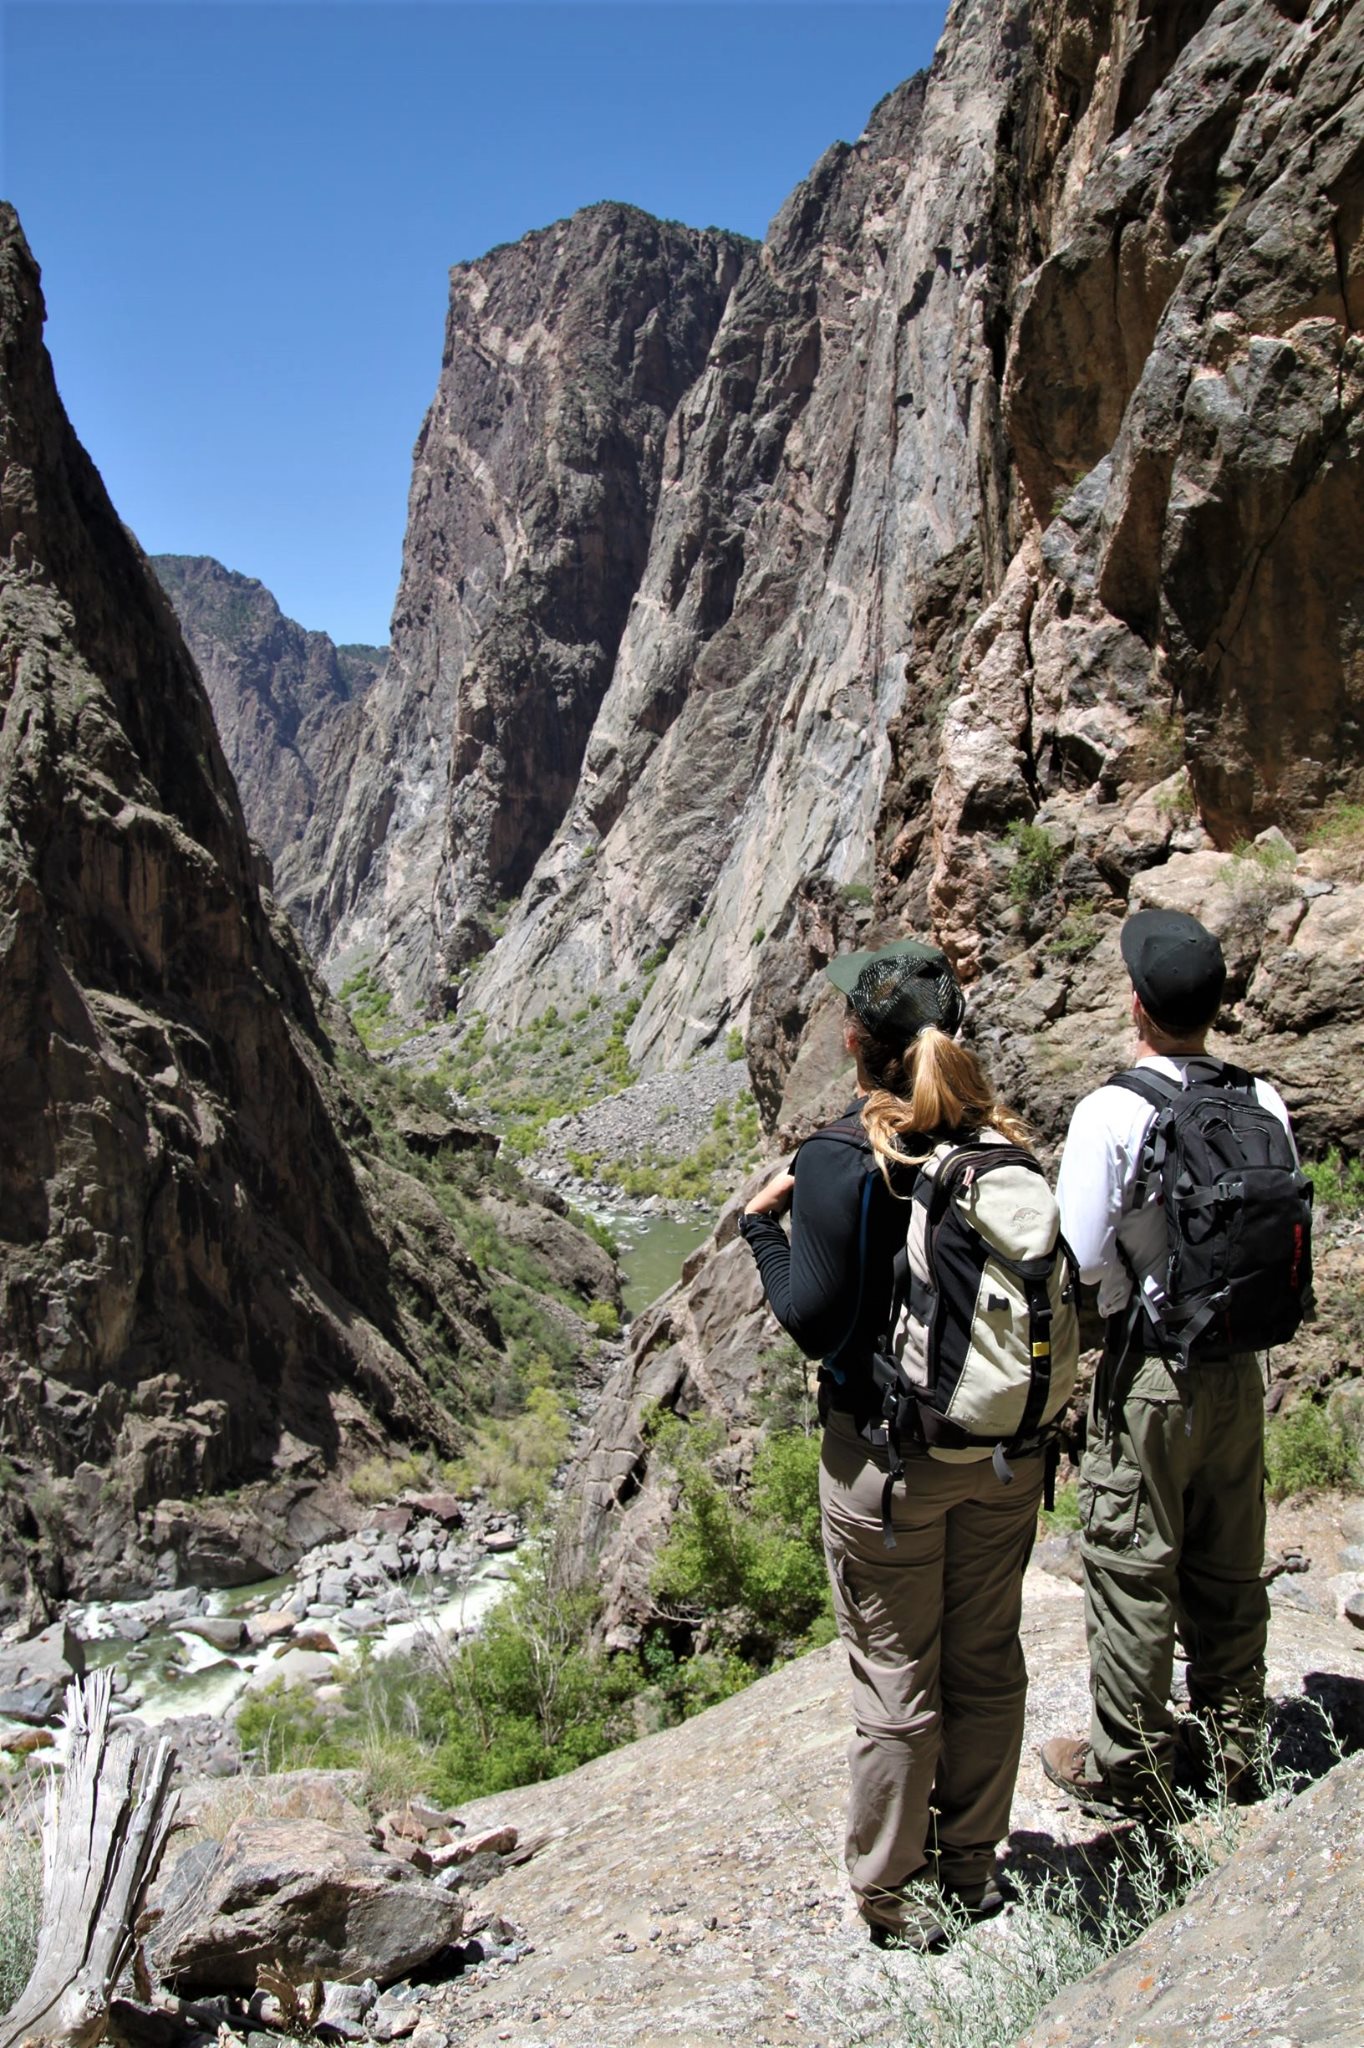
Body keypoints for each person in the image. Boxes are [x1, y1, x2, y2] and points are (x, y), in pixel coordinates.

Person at [738, 937, 1046, 1949]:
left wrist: (761, 1232)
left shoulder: (839, 1156)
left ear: (853, 1043)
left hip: (886, 1466)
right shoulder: (1002, 1145)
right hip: (1001, 1462)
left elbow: (817, 1321)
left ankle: (892, 1891)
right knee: (985, 1658)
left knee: (893, 1673)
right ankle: (971, 1865)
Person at [1040, 909, 1296, 1815]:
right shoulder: (1263, 1101)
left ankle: (1132, 1775)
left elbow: (1082, 1254)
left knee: (1131, 1568)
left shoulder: (1111, 1110)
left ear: (1138, 1005)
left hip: (1149, 1372)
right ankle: (1235, 1751)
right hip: (1240, 1370)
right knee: (1230, 1563)